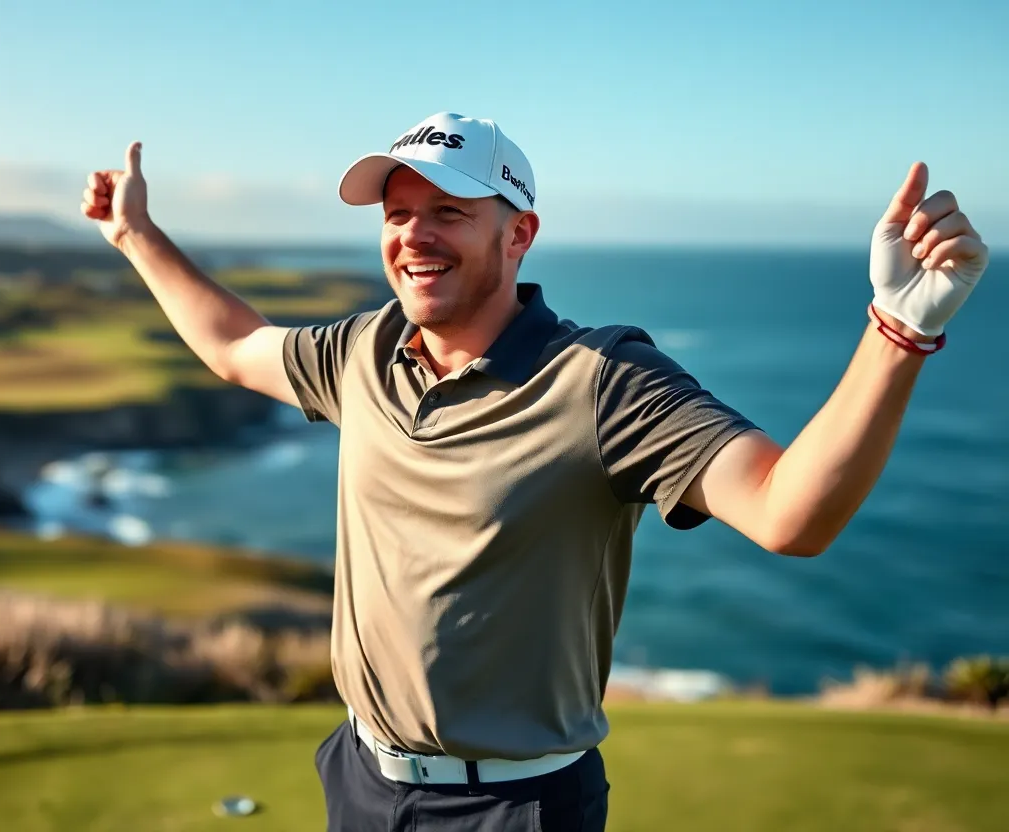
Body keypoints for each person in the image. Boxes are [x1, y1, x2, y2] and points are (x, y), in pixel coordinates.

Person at [80, 112, 990, 831]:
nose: (415, 236)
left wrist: (897, 333)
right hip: (362, 780)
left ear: (520, 235)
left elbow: (792, 513)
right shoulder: (365, 350)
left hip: (514, 811)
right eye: (398, 214)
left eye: (449, 213)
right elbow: (237, 343)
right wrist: (135, 236)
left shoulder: (604, 379)